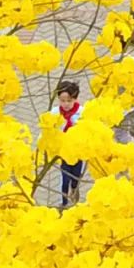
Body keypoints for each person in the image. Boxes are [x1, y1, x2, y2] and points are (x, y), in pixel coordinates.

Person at [56, 80, 85, 209]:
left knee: (75, 177)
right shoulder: (55, 113)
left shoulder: (82, 112)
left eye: (69, 100)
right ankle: (64, 202)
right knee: (64, 179)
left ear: (75, 99)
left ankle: (74, 189)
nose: (66, 104)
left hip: (77, 152)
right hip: (63, 152)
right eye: (62, 100)